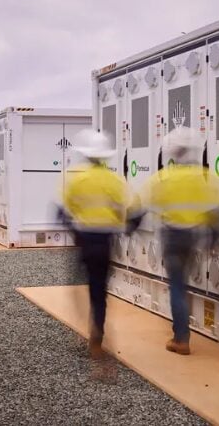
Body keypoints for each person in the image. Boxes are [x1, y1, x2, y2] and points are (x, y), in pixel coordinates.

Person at [144, 127, 219, 355]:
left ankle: (181, 338)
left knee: (177, 287)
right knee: (185, 286)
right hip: (194, 238)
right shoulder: (206, 178)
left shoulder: (162, 178)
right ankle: (182, 331)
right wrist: (215, 239)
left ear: (171, 152)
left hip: (172, 237)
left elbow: (144, 206)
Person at [60, 129, 139, 361]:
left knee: (77, 286)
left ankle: (86, 325)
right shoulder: (115, 180)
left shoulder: (77, 178)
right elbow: (133, 210)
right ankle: (98, 333)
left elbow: (65, 210)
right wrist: (126, 229)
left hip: (84, 239)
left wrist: (74, 231)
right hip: (105, 240)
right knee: (99, 290)